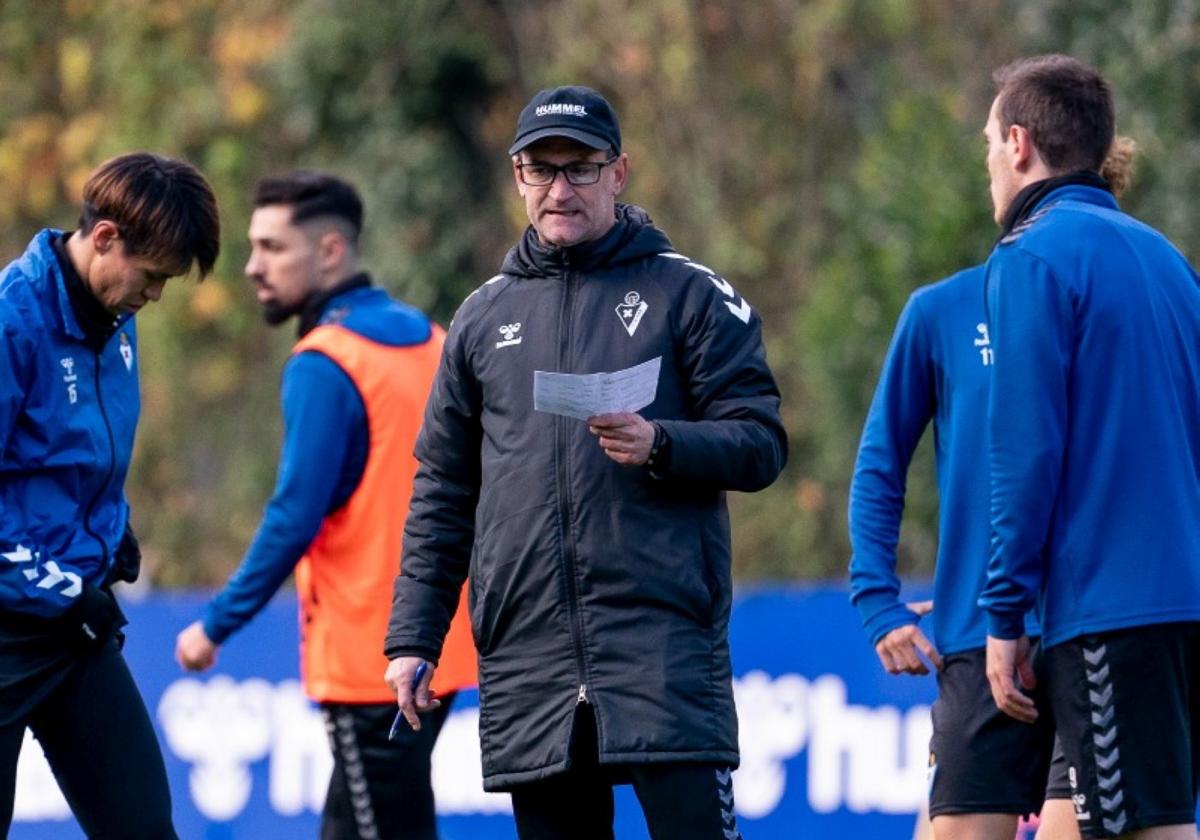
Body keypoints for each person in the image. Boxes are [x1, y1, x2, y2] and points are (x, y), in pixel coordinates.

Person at [381, 85, 787, 840]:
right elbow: (442, 489)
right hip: (528, 654)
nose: (560, 189)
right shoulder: (481, 315)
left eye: (581, 168)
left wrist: (662, 444)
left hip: (661, 645)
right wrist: (414, 637)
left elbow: (761, 442)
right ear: (518, 177)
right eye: (542, 170)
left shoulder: (688, 294)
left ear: (620, 173)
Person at [851, 135, 1138, 840]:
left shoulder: (1126, 306)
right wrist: (877, 600)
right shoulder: (941, 311)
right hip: (979, 640)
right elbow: (881, 462)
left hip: (1093, 630)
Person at [174, 171, 476, 840]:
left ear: (332, 251)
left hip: (370, 659)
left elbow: (293, 515)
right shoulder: (432, 340)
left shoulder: (324, 361)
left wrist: (216, 625)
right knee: (355, 821)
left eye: (272, 248)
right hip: (442, 641)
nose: (252, 267)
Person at [980, 55, 1200, 840]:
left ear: (1018, 143)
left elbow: (1023, 454)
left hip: (1110, 608)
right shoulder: (1169, 263)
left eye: (987, 150)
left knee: (1148, 833)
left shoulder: (1030, 258)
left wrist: (1003, 616)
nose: (989, 172)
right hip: (1180, 602)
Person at [0, 152, 220, 838]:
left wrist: (111, 531)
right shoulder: (12, 321)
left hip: (75, 631)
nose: (155, 295)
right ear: (104, 239)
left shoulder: (116, 318)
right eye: (153, 276)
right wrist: (66, 590)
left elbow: (73, 462)